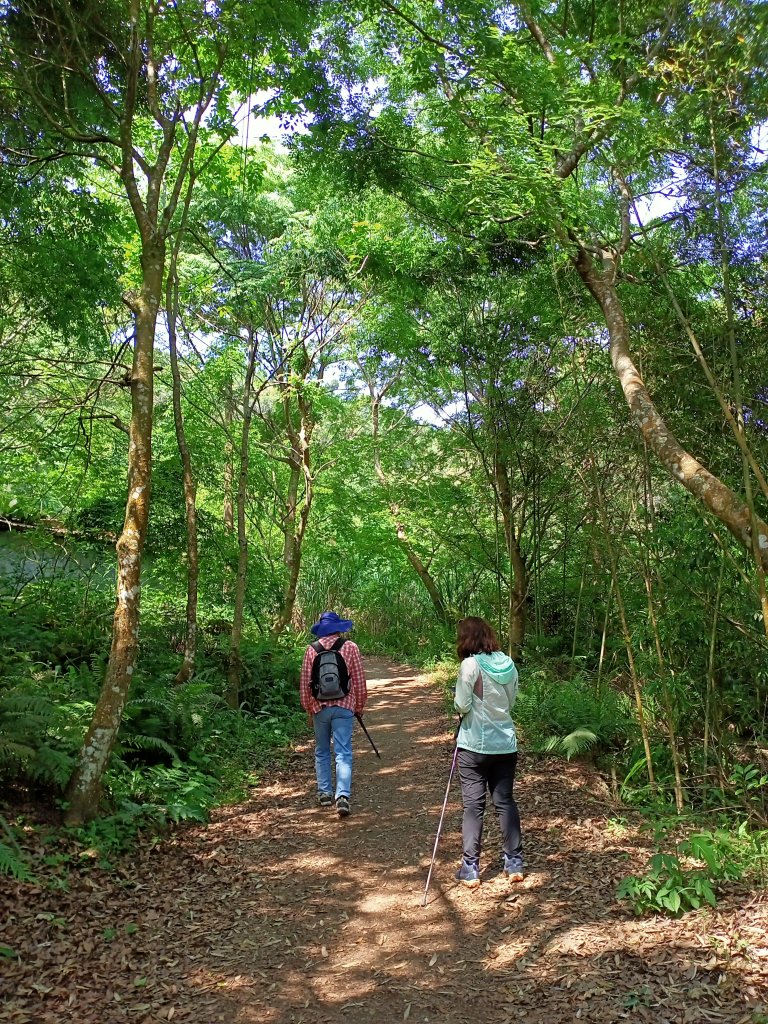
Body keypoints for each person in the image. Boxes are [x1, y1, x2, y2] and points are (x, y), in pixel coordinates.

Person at [453, 616, 524, 887]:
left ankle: (470, 868)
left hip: (474, 745)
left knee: (474, 806)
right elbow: (512, 702)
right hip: (505, 744)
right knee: (505, 801)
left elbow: (461, 704)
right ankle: (514, 862)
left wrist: (462, 708)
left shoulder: (470, 665)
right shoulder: (508, 664)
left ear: (467, 639)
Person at [300, 611, 367, 818]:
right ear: (339, 627)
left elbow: (305, 684)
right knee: (343, 752)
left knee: (321, 751)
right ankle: (343, 797)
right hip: (345, 705)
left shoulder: (311, 650)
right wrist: (359, 706)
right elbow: (358, 680)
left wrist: (308, 709)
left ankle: (324, 793)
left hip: (320, 708)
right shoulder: (350, 647)